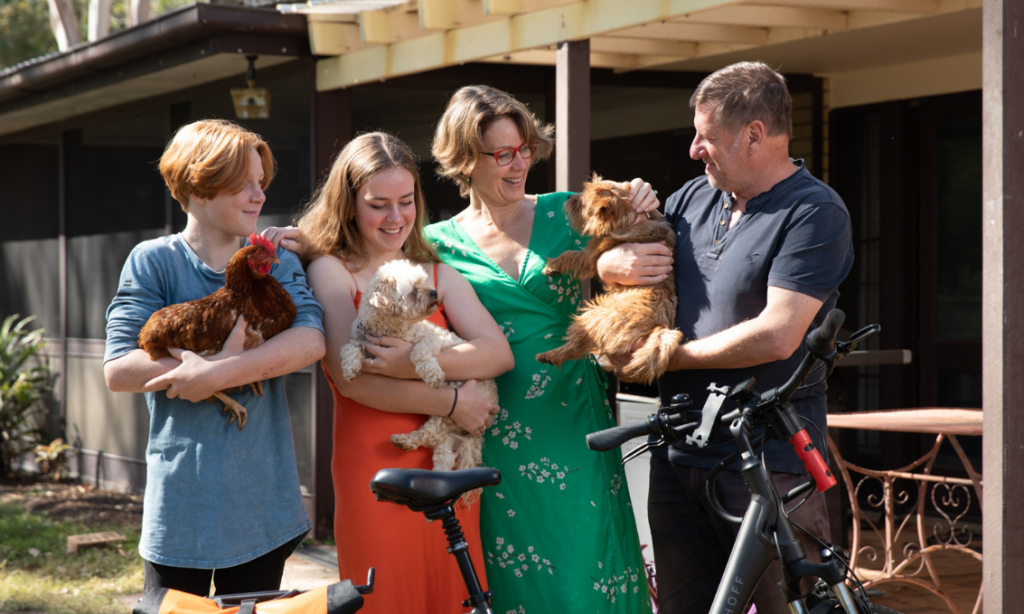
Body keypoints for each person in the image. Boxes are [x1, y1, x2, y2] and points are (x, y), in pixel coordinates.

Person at [604, 61, 855, 614]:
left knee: (784, 608)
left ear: (755, 135)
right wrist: (611, 263)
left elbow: (777, 335)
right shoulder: (691, 200)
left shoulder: (814, 212)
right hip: (679, 453)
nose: (694, 149)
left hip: (769, 460)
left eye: (707, 137)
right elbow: (634, 267)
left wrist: (664, 359)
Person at [424, 84, 657, 614]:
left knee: (585, 565)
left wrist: (640, 197)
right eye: (503, 153)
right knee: (510, 577)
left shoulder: (566, 212)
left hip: (574, 418)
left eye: (525, 148)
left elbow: (637, 220)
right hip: (494, 427)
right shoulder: (433, 240)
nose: (519, 163)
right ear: (465, 158)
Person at [290, 132, 513, 614]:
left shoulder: (435, 274)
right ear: (349, 205)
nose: (395, 218)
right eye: (378, 204)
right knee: (385, 595)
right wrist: (453, 402)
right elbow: (353, 378)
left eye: (406, 202)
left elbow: (498, 354)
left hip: (447, 462)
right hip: (376, 464)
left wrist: (412, 363)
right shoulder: (331, 271)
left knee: (451, 592)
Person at [103, 119, 326, 597]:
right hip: (183, 506)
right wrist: (207, 367)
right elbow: (120, 369)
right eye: (242, 184)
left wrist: (217, 372)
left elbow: (310, 341)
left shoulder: (273, 259)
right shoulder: (154, 261)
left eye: (260, 183)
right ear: (199, 189)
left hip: (262, 502)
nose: (258, 195)